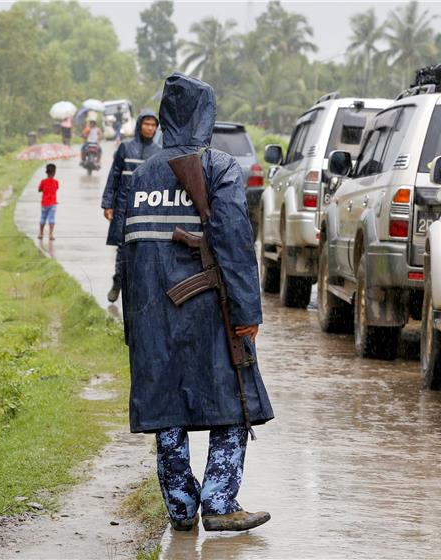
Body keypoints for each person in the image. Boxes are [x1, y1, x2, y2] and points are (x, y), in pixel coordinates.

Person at [121, 73, 274, 532]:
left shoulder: (142, 171)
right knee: (234, 403)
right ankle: (221, 503)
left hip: (150, 311)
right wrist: (247, 313)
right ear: (204, 116)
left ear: (166, 117)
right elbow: (234, 242)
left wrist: (132, 324)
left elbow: (127, 254)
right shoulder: (220, 166)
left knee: (166, 407)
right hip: (210, 310)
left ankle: (182, 507)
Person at [101, 109, 161, 302]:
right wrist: (108, 204)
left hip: (147, 210)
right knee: (122, 247)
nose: (150, 128)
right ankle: (118, 282)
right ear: (139, 125)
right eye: (147, 124)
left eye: (153, 125)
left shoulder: (158, 152)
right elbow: (114, 176)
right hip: (123, 208)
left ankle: (139, 289)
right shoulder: (125, 148)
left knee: (145, 249)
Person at [38, 163, 59, 240]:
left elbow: (39, 190)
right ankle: (51, 235)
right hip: (53, 204)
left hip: (44, 203)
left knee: (43, 218)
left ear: (46, 172)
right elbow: (57, 188)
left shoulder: (43, 181)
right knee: (51, 219)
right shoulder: (56, 182)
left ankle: (41, 234)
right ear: (54, 172)